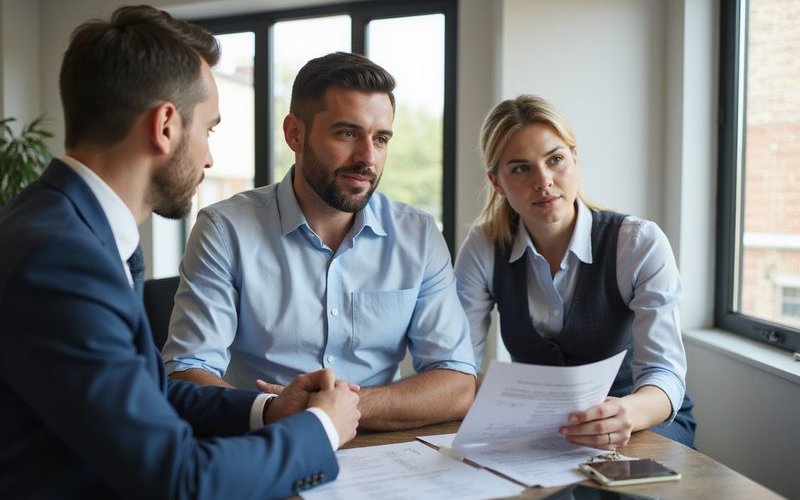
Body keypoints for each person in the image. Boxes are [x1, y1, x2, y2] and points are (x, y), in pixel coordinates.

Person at [0, 6, 360, 499]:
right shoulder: (61, 257)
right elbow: (178, 480)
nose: (209, 157)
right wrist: (322, 429)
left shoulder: (70, 225)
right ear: (166, 125)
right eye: (208, 129)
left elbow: (147, 392)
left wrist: (269, 411)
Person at [162, 51, 476, 431]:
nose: (368, 158)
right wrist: (273, 410)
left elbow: (457, 384)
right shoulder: (225, 229)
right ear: (295, 133)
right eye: (347, 133)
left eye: (381, 139)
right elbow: (186, 371)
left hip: (379, 454)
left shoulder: (418, 235)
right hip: (267, 444)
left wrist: (334, 408)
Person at [454, 94, 695, 449]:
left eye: (555, 160)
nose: (544, 181)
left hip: (639, 421)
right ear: (497, 183)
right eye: (520, 168)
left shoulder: (637, 242)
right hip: (539, 428)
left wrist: (626, 412)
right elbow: (459, 364)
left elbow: (665, 375)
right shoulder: (485, 246)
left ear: (575, 158)